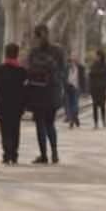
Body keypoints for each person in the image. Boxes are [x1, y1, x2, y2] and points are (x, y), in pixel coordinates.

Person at [25, 23, 65, 165]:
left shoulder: (34, 52)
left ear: (36, 36)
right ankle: (54, 152)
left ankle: (43, 155)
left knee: (40, 124)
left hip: (38, 91)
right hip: (53, 91)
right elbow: (62, 71)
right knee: (50, 123)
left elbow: (28, 71)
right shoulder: (58, 51)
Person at [0, 42, 27, 165]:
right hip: (17, 105)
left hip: (3, 104)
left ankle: (6, 154)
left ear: (6, 54)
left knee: (5, 130)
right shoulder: (22, 71)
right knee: (15, 129)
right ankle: (14, 155)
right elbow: (27, 88)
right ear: (17, 54)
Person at [89, 49, 106, 127]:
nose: (95, 57)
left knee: (102, 105)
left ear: (100, 56)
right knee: (94, 105)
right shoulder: (93, 65)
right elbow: (90, 76)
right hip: (94, 88)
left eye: (96, 55)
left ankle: (103, 119)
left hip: (102, 88)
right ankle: (95, 122)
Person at [64, 56, 82, 129]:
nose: (71, 63)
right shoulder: (66, 68)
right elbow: (63, 77)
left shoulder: (80, 68)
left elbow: (83, 79)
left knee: (75, 104)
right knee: (68, 104)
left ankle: (73, 118)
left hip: (76, 88)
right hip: (68, 88)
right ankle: (73, 118)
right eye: (70, 62)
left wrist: (84, 89)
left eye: (73, 61)